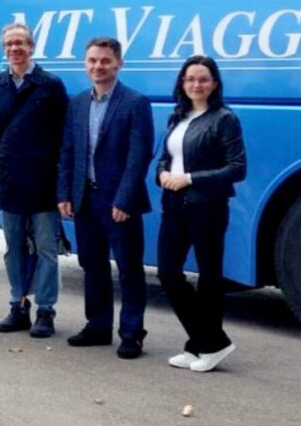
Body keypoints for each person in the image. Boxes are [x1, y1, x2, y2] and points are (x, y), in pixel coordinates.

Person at [57, 38, 153, 358]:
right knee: (92, 264)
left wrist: (124, 200)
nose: (98, 66)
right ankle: (98, 327)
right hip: (85, 199)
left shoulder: (135, 102)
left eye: (105, 61)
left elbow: (139, 157)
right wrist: (65, 194)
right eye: (93, 61)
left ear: (119, 64)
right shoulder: (78, 103)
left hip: (119, 203)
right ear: (85, 64)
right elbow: (69, 151)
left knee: (128, 268)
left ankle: (131, 332)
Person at [156, 55, 246, 373]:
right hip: (174, 205)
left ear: (214, 84)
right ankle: (209, 341)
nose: (196, 84)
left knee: (209, 277)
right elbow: (164, 158)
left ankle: (202, 346)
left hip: (207, 205)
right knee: (167, 272)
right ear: (182, 83)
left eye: (203, 79)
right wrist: (163, 174)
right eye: (191, 79)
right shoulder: (176, 117)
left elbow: (237, 168)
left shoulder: (224, 118)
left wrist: (190, 178)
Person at [0, 22, 68, 338]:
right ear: (4, 49)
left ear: (31, 47)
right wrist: (3, 166)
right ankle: (18, 306)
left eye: (20, 43)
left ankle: (45, 311)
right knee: (13, 248)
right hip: (11, 182)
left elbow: (63, 136)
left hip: (44, 182)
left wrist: (60, 180)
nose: (15, 49)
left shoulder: (50, 85)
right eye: (9, 44)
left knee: (46, 248)